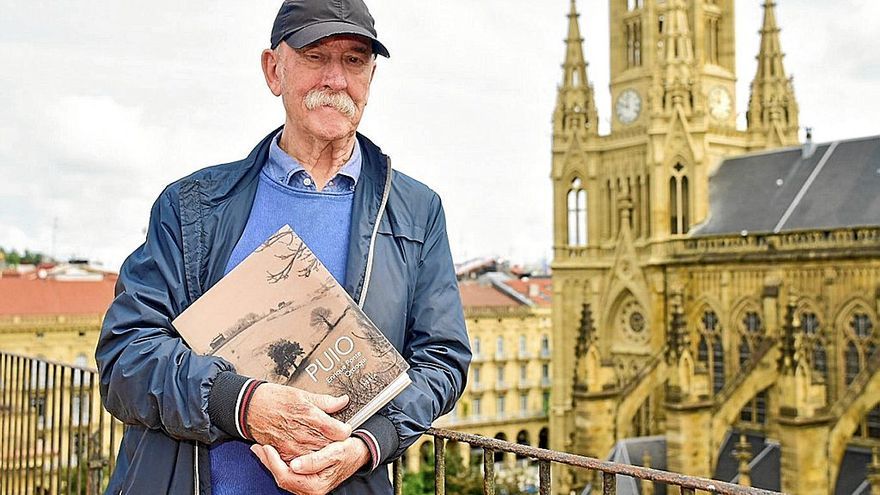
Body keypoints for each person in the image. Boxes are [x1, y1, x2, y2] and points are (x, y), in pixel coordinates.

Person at [95, 1, 471, 493]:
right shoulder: (192, 206)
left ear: (371, 76)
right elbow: (126, 356)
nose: (336, 79)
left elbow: (441, 361)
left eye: (355, 60)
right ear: (274, 69)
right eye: (316, 56)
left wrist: (368, 444)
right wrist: (243, 404)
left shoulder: (417, 211)